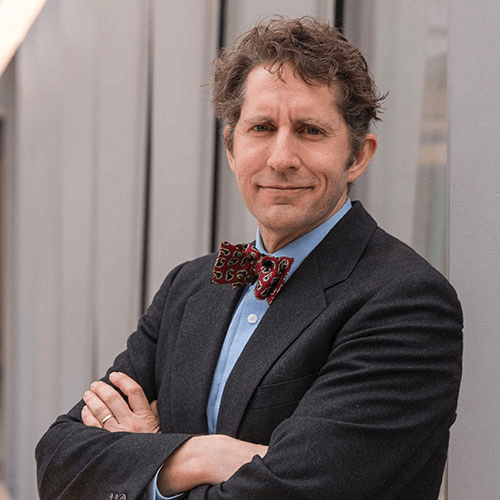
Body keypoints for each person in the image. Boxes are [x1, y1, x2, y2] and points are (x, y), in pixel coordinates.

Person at [35, 16, 462, 500]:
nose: (281, 158)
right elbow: (59, 460)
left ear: (358, 156)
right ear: (231, 148)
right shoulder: (188, 287)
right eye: (262, 128)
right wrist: (201, 455)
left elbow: (296, 493)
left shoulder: (407, 302)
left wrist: (149, 458)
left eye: (310, 130)